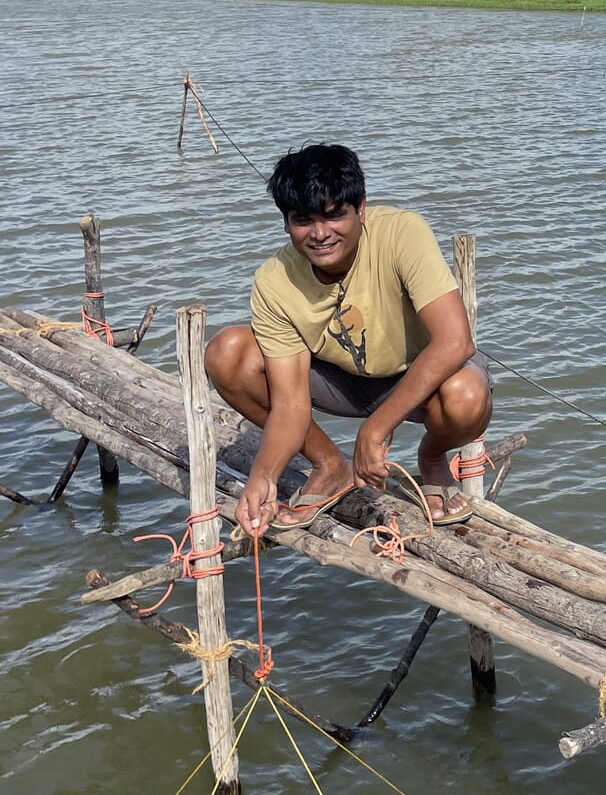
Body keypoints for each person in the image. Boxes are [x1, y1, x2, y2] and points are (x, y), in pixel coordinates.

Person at [206, 142, 493, 538]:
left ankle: (431, 455)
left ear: (360, 208)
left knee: (467, 396)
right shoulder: (273, 282)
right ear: (286, 223)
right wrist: (263, 477)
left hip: (421, 376)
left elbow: (455, 342)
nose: (321, 234)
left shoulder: (401, 232)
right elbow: (289, 403)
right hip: (342, 381)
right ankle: (330, 467)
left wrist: (374, 429)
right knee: (228, 353)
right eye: (303, 221)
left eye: (335, 216)